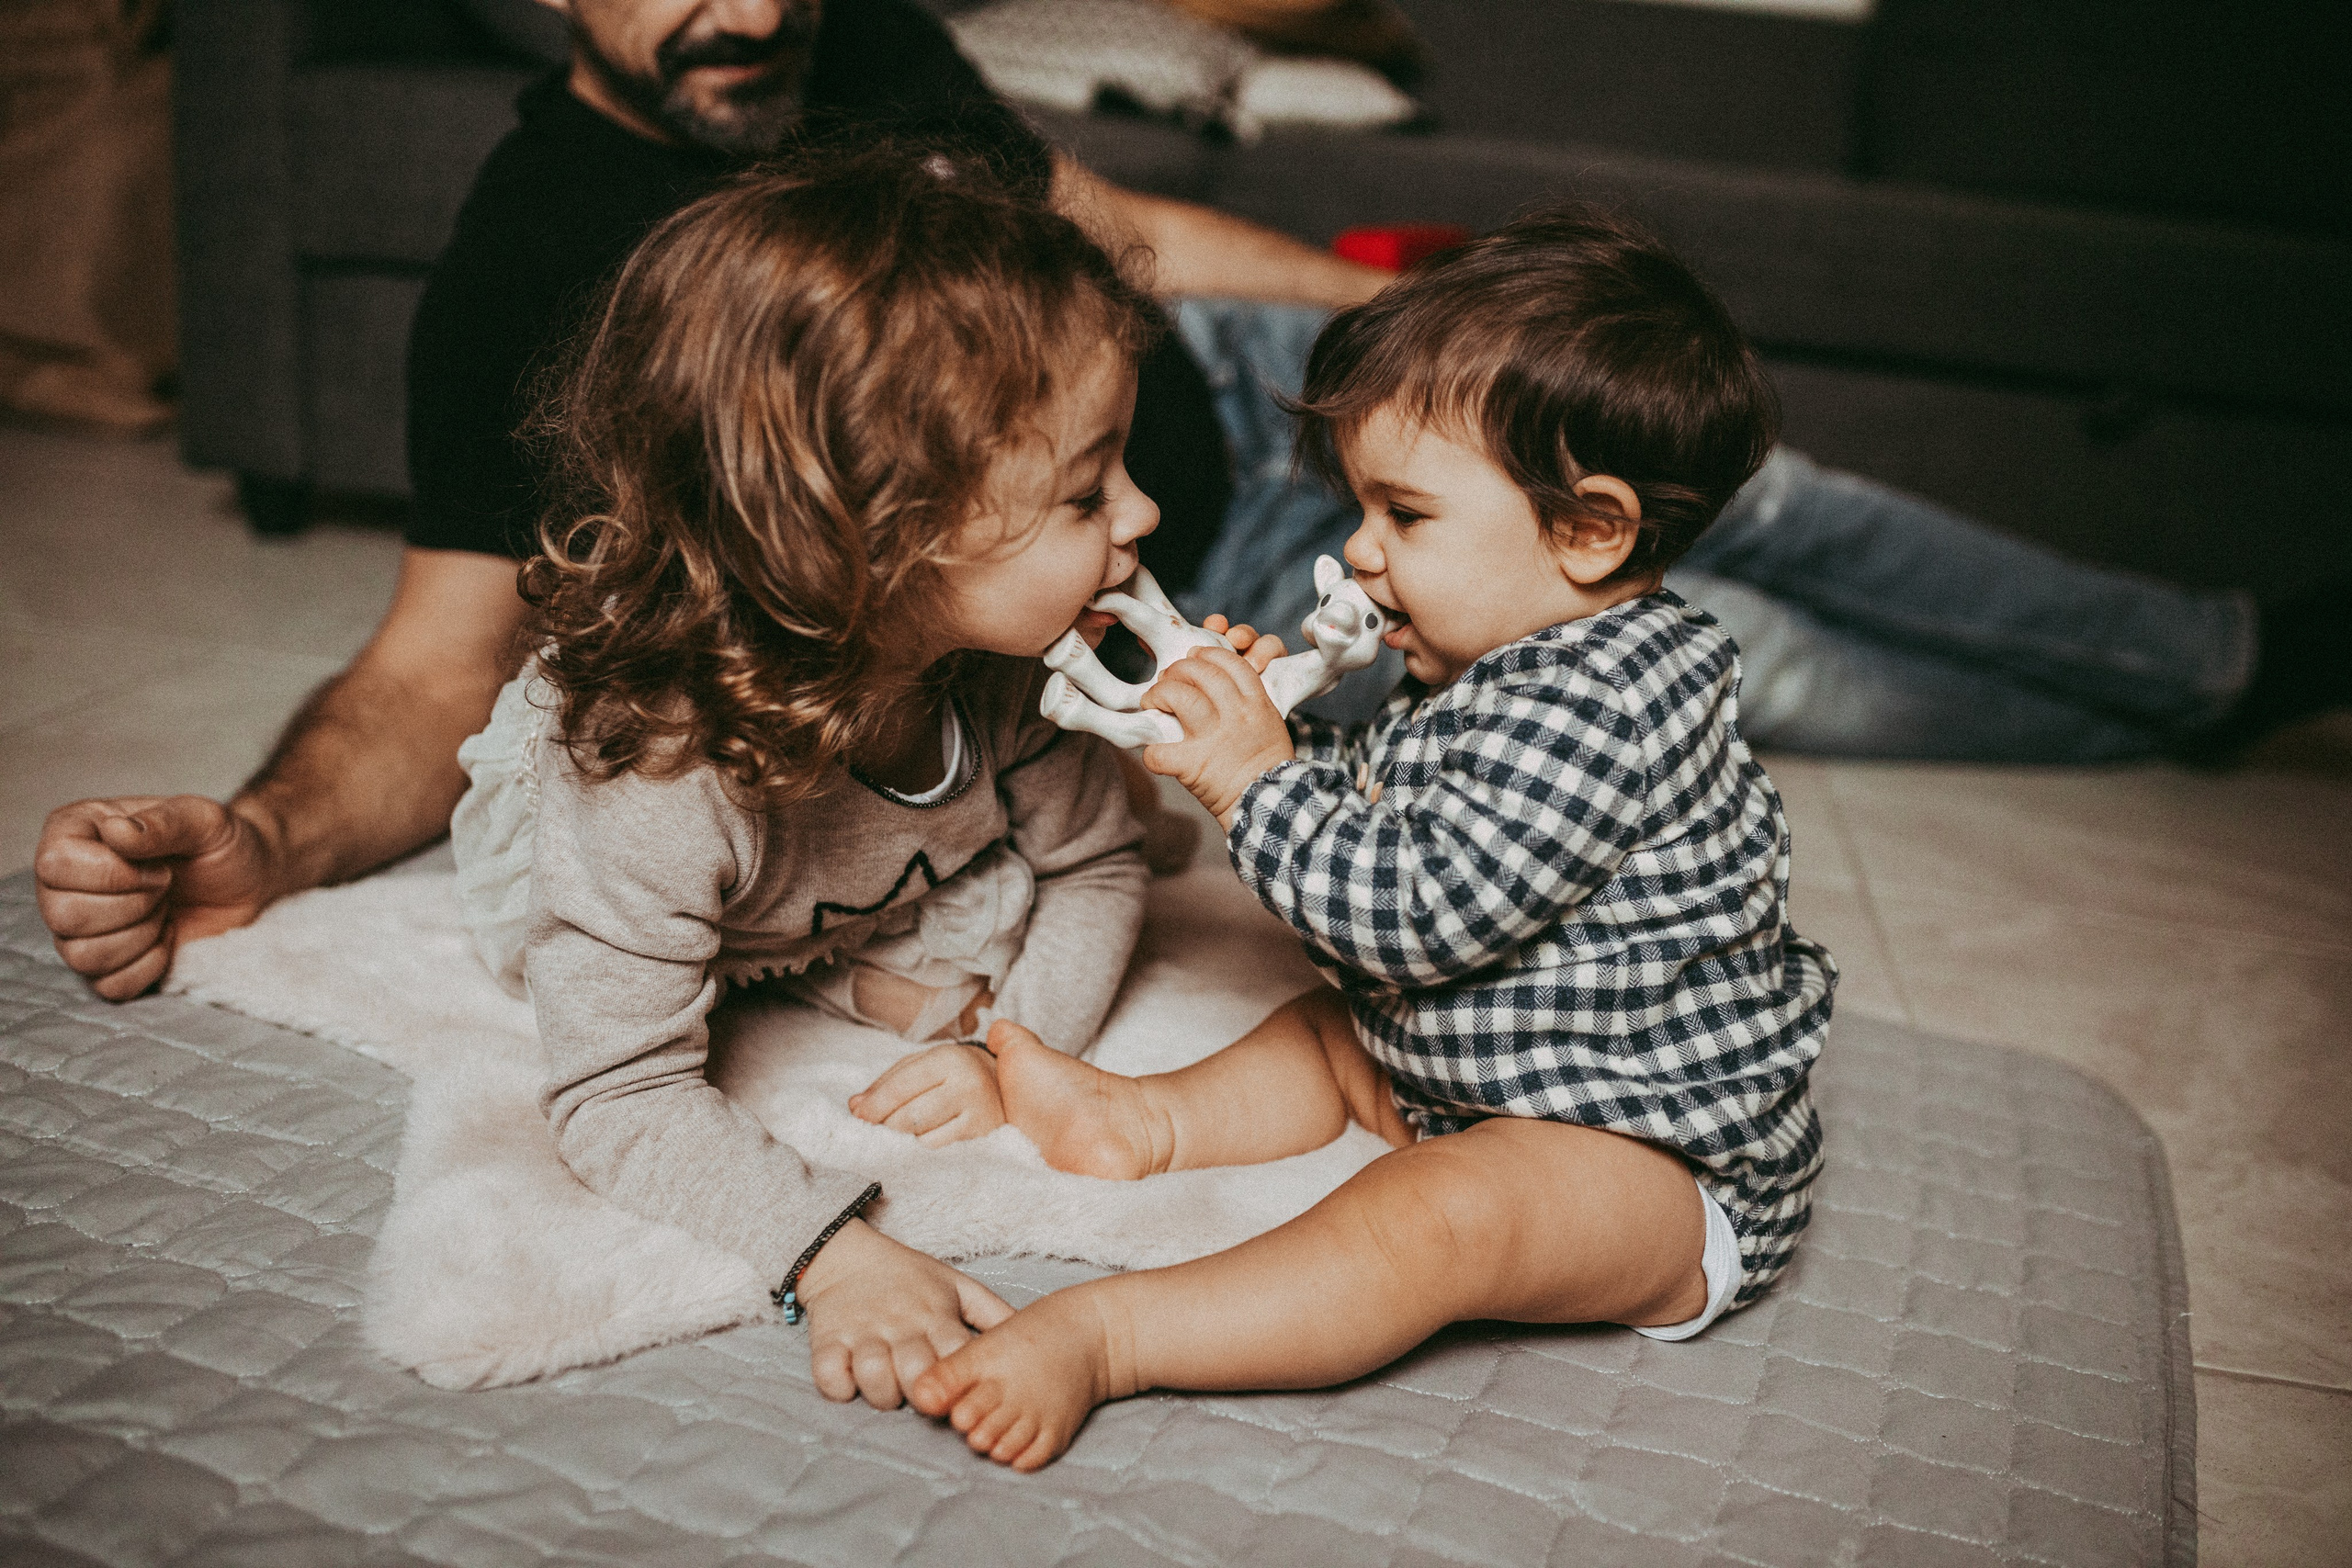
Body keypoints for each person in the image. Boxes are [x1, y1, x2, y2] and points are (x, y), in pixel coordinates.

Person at [33, 0, 2340, 1003]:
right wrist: (258, 835)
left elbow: (1105, 218)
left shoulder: (858, 45)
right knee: (1750, 663)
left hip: (1231, 405)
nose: (748, 5)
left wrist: (1387, 354)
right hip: (1203, 578)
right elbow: (440, 662)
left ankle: (2219, 652)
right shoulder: (541, 269)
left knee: (1755, 488)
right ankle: (2173, 714)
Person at [904, 208, 1834, 1471]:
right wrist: (1271, 740)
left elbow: (1412, 911)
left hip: (1646, 1158)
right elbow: (1404, 814)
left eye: (1406, 515)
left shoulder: (1609, 701)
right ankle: (1147, 1123)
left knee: (1442, 1219)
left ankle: (1115, 1335)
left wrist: (1257, 784)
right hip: (1477, 1066)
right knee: (1331, 1036)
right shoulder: (1508, 653)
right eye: (1362, 508)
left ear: (1593, 531)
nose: (1358, 550)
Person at [447, 143, 1179, 1410]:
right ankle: (813, 963)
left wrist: (1020, 1054)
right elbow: (618, 1093)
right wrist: (829, 1250)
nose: (1145, 514)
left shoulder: (1005, 667)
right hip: (647, 858)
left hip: (834, 855)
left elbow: (1098, 861)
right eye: (1084, 495)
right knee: (613, 963)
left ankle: (849, 961)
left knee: (1068, 854)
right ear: (880, 543)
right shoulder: (658, 783)